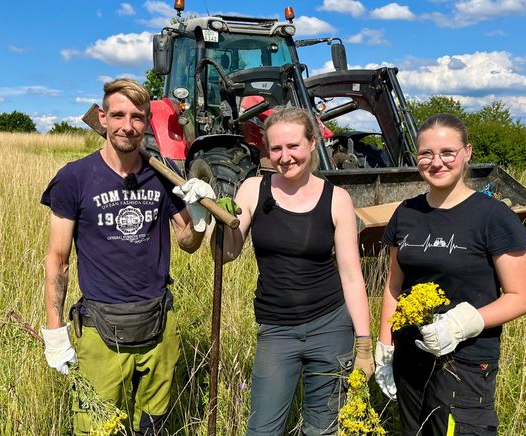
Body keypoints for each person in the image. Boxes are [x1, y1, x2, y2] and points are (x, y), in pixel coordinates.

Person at [39, 78, 216, 435]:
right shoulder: (74, 178)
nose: (127, 125)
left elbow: (186, 241)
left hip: (158, 323)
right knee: (97, 428)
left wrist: (200, 219)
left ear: (147, 122)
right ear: (102, 118)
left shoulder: (162, 176)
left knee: (154, 426)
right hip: (101, 326)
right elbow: (58, 258)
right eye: (118, 115)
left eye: (137, 117)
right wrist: (54, 329)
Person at [215, 107, 374, 435]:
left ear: (312, 143)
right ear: (267, 150)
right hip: (277, 330)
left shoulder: (337, 199)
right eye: (276, 149)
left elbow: (351, 275)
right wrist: (210, 218)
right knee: (263, 430)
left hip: (331, 327)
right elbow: (226, 254)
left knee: (322, 429)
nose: (285, 157)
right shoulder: (252, 190)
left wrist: (364, 344)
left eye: (293, 147)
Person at [374, 113, 526, 435]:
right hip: (411, 357)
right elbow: (394, 284)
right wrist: (385, 345)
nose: (436, 162)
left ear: (467, 152)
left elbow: (521, 297)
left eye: (448, 152)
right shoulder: (406, 213)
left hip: (465, 362)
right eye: (426, 154)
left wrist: (460, 325)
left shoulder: (493, 217)